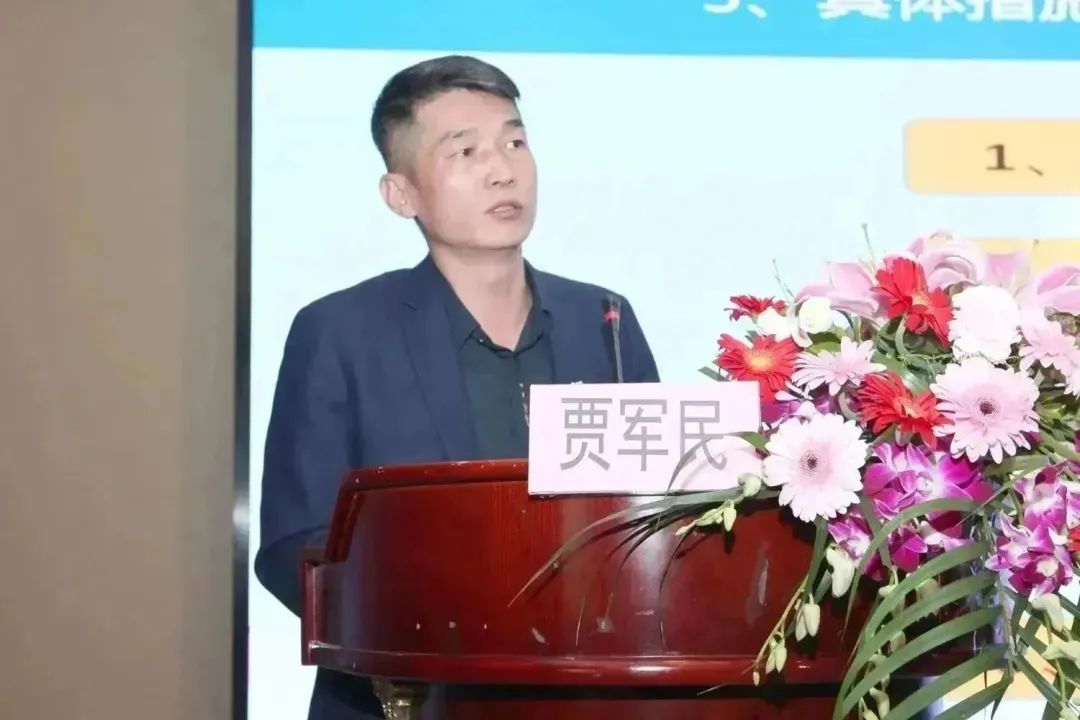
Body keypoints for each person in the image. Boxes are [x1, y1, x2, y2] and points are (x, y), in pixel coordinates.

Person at [254, 55, 660, 719]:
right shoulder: (341, 332)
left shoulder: (604, 321)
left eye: (515, 142)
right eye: (465, 151)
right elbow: (292, 545)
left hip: (587, 700)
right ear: (401, 194)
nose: (503, 169)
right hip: (402, 700)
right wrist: (417, 638)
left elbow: (657, 515)